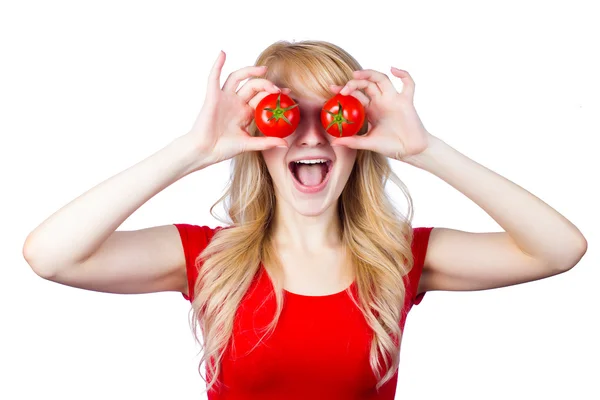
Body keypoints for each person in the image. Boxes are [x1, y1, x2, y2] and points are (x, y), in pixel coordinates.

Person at [22, 40, 588, 399]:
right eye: (288, 114)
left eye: (334, 118)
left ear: (361, 139)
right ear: (259, 139)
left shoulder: (399, 261)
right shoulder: (210, 260)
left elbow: (558, 249)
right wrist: (193, 150)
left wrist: (425, 150)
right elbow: (50, 255)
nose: (311, 135)